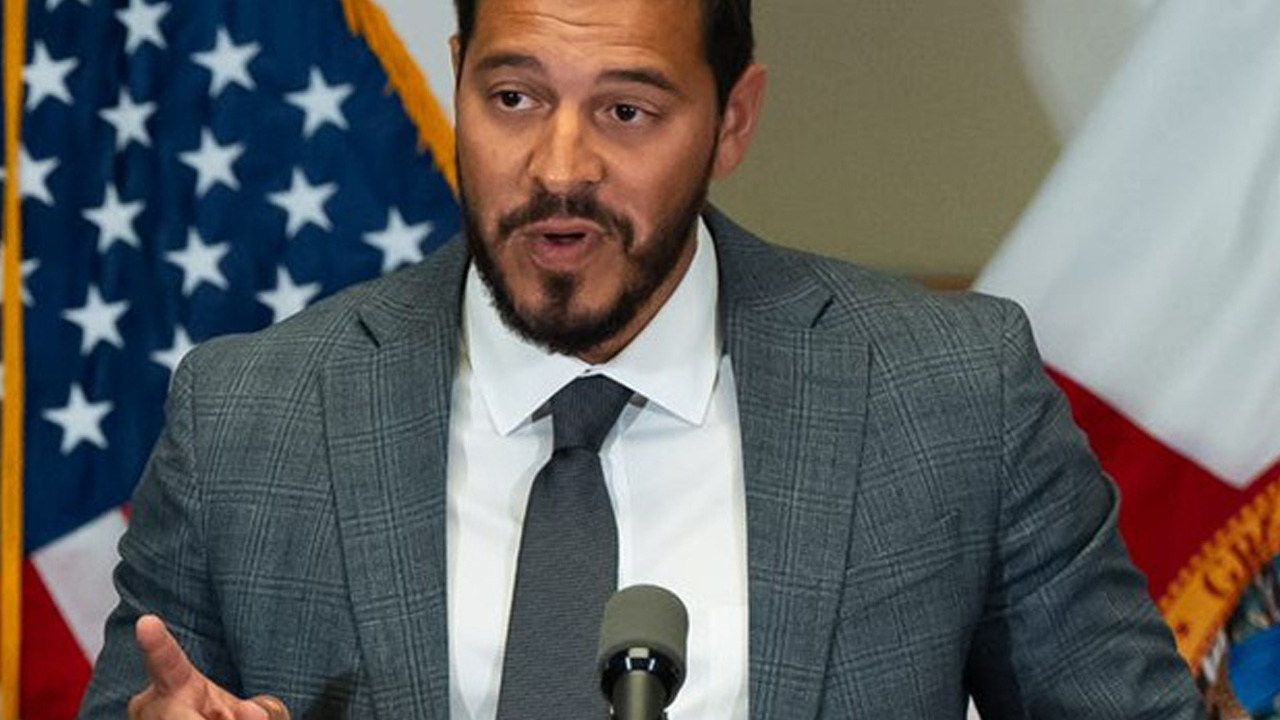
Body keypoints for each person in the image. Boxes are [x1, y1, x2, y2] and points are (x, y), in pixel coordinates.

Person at [79, 0, 1208, 718]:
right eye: (512, 98)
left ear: (733, 120)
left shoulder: (951, 393)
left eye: (625, 111)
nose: (557, 167)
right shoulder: (248, 418)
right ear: (459, 76)